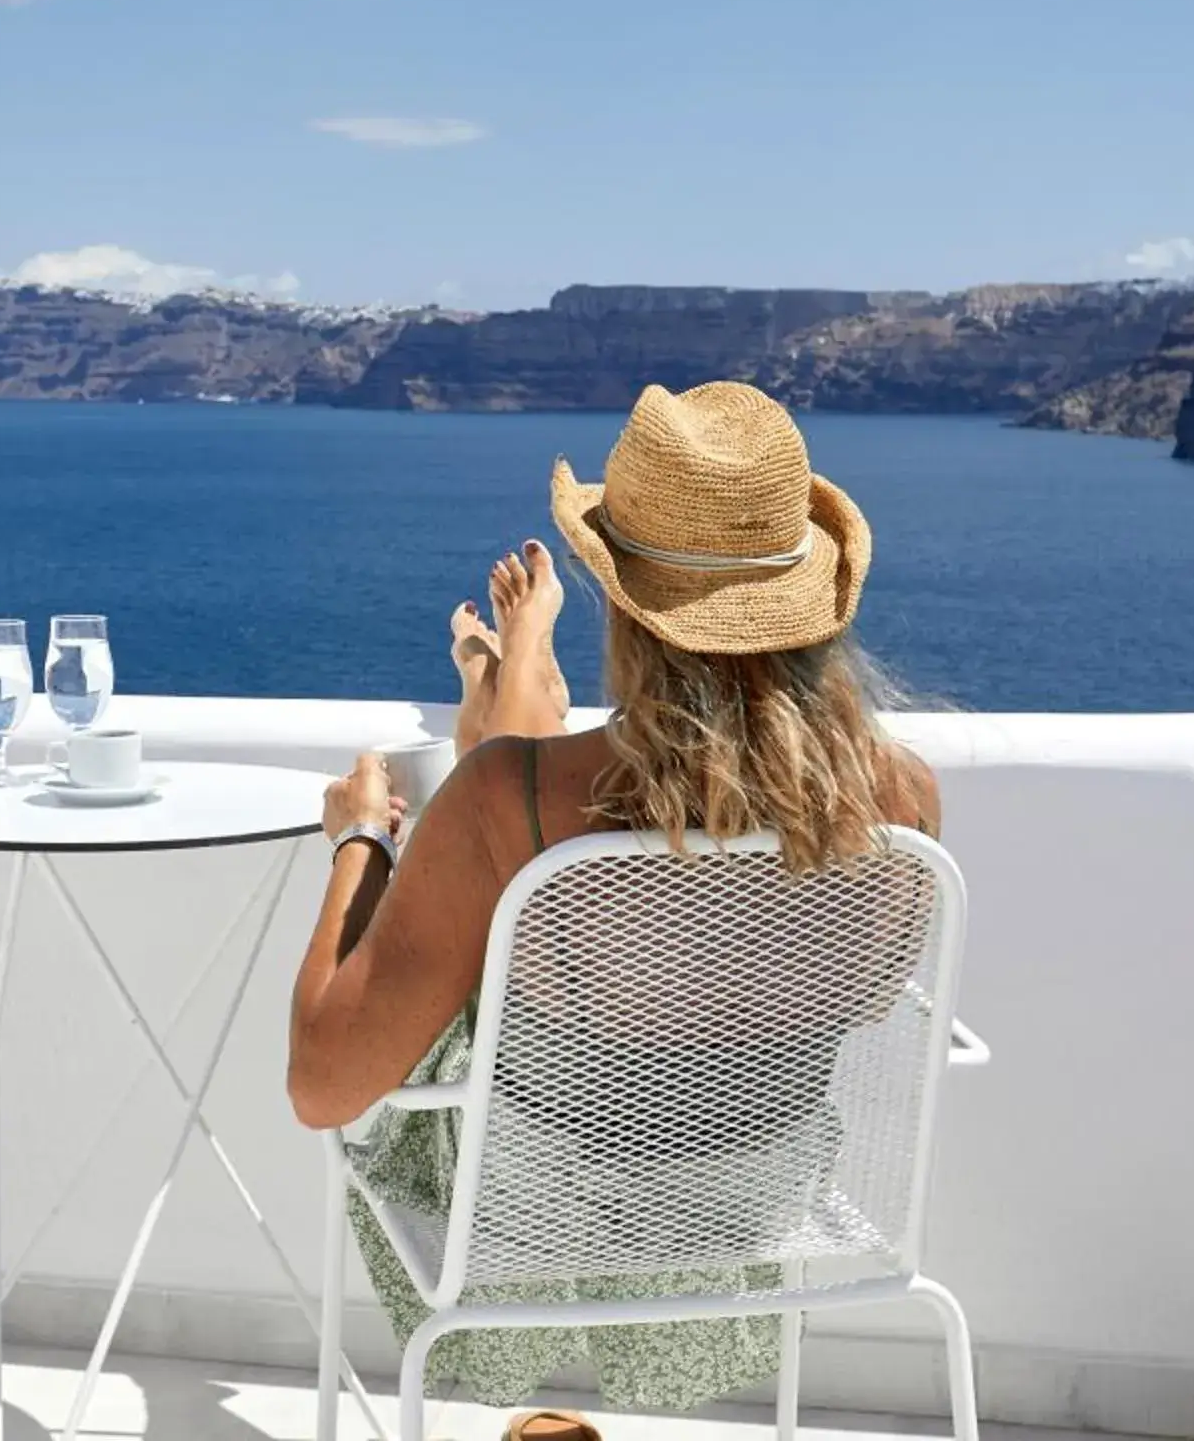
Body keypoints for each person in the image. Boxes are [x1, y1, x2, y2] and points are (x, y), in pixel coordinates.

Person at [287, 380, 941, 1416]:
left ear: (625, 606)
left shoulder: (506, 803)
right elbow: (861, 998)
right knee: (515, 831)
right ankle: (511, 693)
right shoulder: (899, 800)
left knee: (499, 834)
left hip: (529, 1222)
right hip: (751, 1214)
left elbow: (323, 1085)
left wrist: (360, 841)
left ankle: (509, 695)